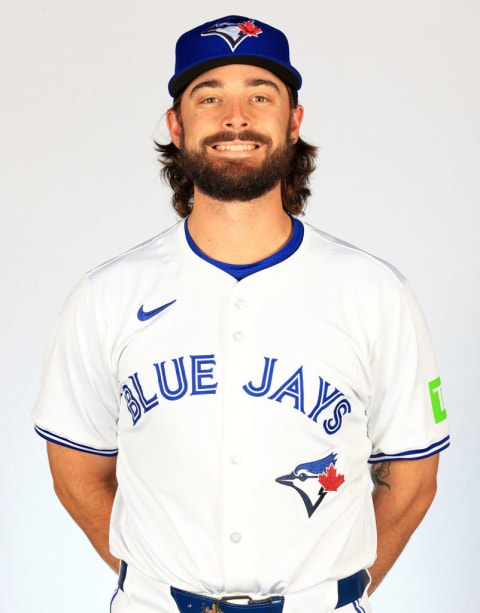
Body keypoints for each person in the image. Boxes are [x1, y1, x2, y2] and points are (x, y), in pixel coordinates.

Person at [32, 15, 450, 613]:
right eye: (210, 97)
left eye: (260, 95)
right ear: (177, 125)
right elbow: (76, 469)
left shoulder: (374, 291)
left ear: (294, 121)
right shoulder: (108, 295)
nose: (236, 118)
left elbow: (413, 478)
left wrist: (334, 592)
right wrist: (154, 584)